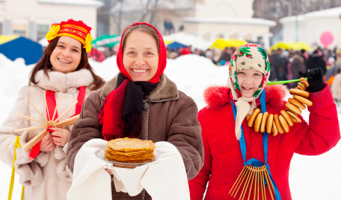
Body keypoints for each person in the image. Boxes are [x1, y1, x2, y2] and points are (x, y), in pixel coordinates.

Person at [66, 22, 204, 199]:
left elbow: (190, 155)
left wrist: (158, 166)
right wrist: (96, 162)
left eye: (149, 53)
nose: (139, 61)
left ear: (160, 56)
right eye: (131, 52)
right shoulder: (97, 101)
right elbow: (76, 150)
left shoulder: (181, 105)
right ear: (121, 55)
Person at [189, 44, 340, 200]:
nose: (248, 82)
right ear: (232, 72)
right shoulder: (209, 116)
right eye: (241, 73)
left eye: (256, 74)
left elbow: (321, 140)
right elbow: (196, 175)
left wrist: (318, 93)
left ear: (265, 76)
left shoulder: (282, 113)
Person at [0, 19, 105, 200]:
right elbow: (4, 140)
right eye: (61, 46)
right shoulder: (29, 94)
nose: (66, 54)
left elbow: (109, 144)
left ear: (83, 57)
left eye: (74, 49)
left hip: (84, 193)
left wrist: (72, 142)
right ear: (51, 50)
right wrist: (32, 146)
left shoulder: (97, 96)